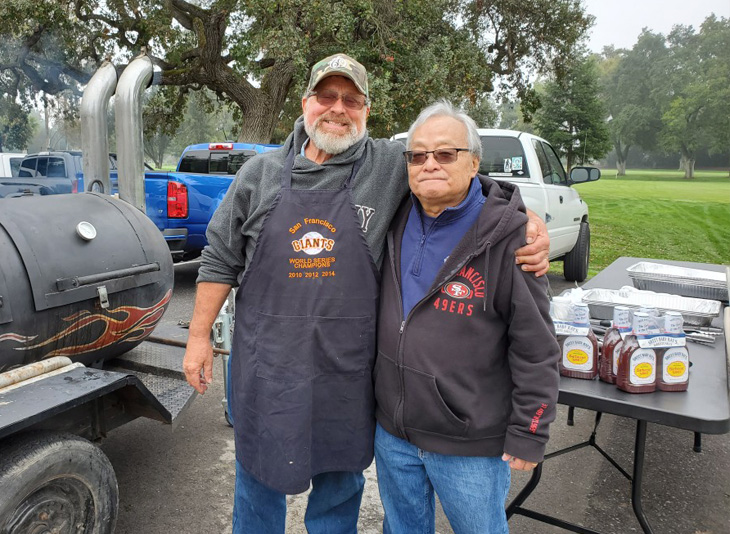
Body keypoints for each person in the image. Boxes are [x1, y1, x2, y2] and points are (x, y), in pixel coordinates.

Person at [182, 54, 550, 534]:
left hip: (345, 377)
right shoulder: (260, 174)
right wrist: (197, 337)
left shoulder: (388, 166)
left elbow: (454, 177)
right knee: (257, 488)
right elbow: (219, 258)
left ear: (366, 111)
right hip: (267, 370)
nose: (338, 109)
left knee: (338, 497)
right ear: (305, 103)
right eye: (327, 96)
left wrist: (524, 219)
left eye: (351, 100)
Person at [373, 100, 561, 534]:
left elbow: (535, 345)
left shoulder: (510, 238)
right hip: (394, 434)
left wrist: (531, 430)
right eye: (418, 155)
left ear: (474, 162)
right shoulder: (394, 217)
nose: (429, 164)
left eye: (445, 154)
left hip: (469, 444)